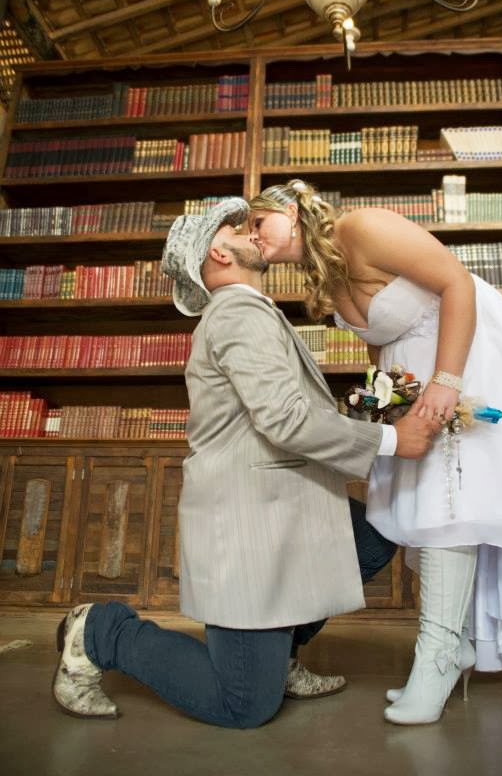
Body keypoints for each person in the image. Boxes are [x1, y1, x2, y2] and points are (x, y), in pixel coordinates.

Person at [52, 197, 436, 728]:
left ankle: (280, 657)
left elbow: (286, 410)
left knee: (374, 535)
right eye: (237, 230)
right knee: (243, 705)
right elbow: (285, 419)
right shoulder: (238, 313)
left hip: (283, 501)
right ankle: (101, 631)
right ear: (218, 252)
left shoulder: (249, 310)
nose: (252, 233)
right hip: (251, 520)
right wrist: (392, 439)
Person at [248, 178, 502, 726]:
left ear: (289, 210)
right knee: (425, 506)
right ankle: (454, 646)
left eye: (257, 223)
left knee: (448, 505)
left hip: (468, 353)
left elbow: (457, 283)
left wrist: (447, 380)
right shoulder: (324, 270)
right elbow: (381, 341)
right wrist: (385, 400)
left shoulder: (362, 227)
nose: (253, 237)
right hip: (414, 373)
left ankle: (437, 658)